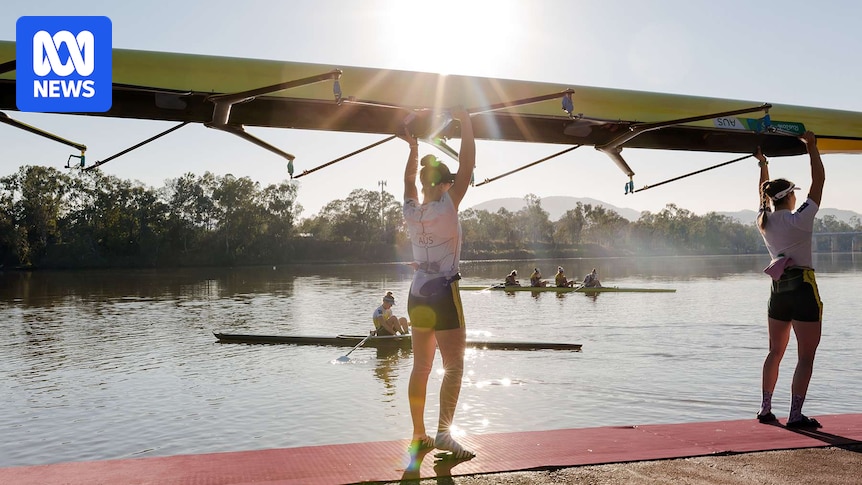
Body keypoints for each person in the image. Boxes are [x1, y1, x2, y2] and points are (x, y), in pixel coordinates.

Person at [400, 106, 476, 460]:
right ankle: (444, 434)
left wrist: (413, 148)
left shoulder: (410, 211)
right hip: (444, 292)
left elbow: (407, 181)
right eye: (450, 182)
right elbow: (468, 165)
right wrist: (467, 122)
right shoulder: (448, 206)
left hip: (417, 293)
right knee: (454, 366)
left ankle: (419, 435)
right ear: (445, 185)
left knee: (421, 367)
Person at [754, 131, 825, 429]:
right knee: (806, 356)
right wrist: (812, 148)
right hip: (803, 289)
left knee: (775, 352)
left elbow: (762, 195)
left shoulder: (764, 221)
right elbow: (819, 181)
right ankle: (795, 415)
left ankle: (765, 409)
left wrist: (763, 165)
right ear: (789, 197)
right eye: (794, 192)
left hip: (778, 291)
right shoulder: (800, 219)